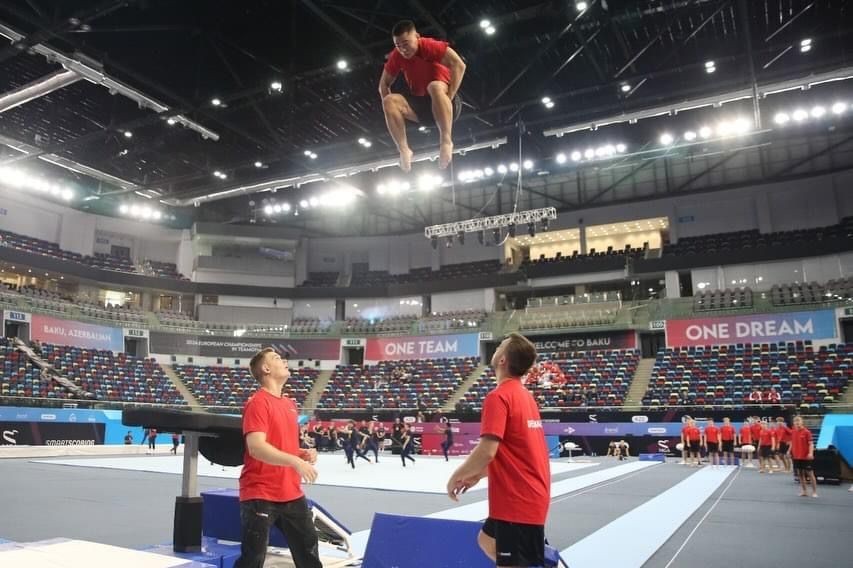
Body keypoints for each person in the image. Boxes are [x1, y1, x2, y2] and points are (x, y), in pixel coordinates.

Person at [446, 333, 550, 567]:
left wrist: (457, 476)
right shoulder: (525, 397)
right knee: (486, 540)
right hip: (525, 497)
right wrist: (478, 474)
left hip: (517, 502)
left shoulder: (498, 397)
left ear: (502, 360)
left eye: (499, 347)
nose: (496, 349)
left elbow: (487, 451)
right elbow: (516, 454)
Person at [236, 348, 321, 568]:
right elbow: (256, 448)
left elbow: (282, 445)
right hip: (260, 492)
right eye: (276, 359)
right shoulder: (257, 403)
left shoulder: (289, 404)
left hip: (290, 492)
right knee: (252, 559)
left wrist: (302, 453)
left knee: (309, 554)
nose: (283, 361)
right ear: (265, 369)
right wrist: (295, 461)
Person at [379, 20, 467, 171]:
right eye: (398, 46)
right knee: (389, 100)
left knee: (434, 86)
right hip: (422, 109)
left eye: (406, 44)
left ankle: (446, 141)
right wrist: (393, 114)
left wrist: (450, 96)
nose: (403, 50)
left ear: (417, 37)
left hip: (447, 101)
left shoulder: (429, 45)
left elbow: (459, 65)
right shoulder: (397, 56)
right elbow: (383, 86)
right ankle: (404, 149)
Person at [790, 416, 817, 498]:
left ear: (802, 422)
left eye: (798, 421)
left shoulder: (806, 432)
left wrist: (810, 453)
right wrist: (789, 451)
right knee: (800, 474)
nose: (797, 423)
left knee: (810, 474)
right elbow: (792, 442)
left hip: (805, 457)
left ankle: (814, 492)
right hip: (796, 457)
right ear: (794, 423)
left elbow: (811, 444)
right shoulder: (793, 432)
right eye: (795, 421)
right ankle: (804, 491)